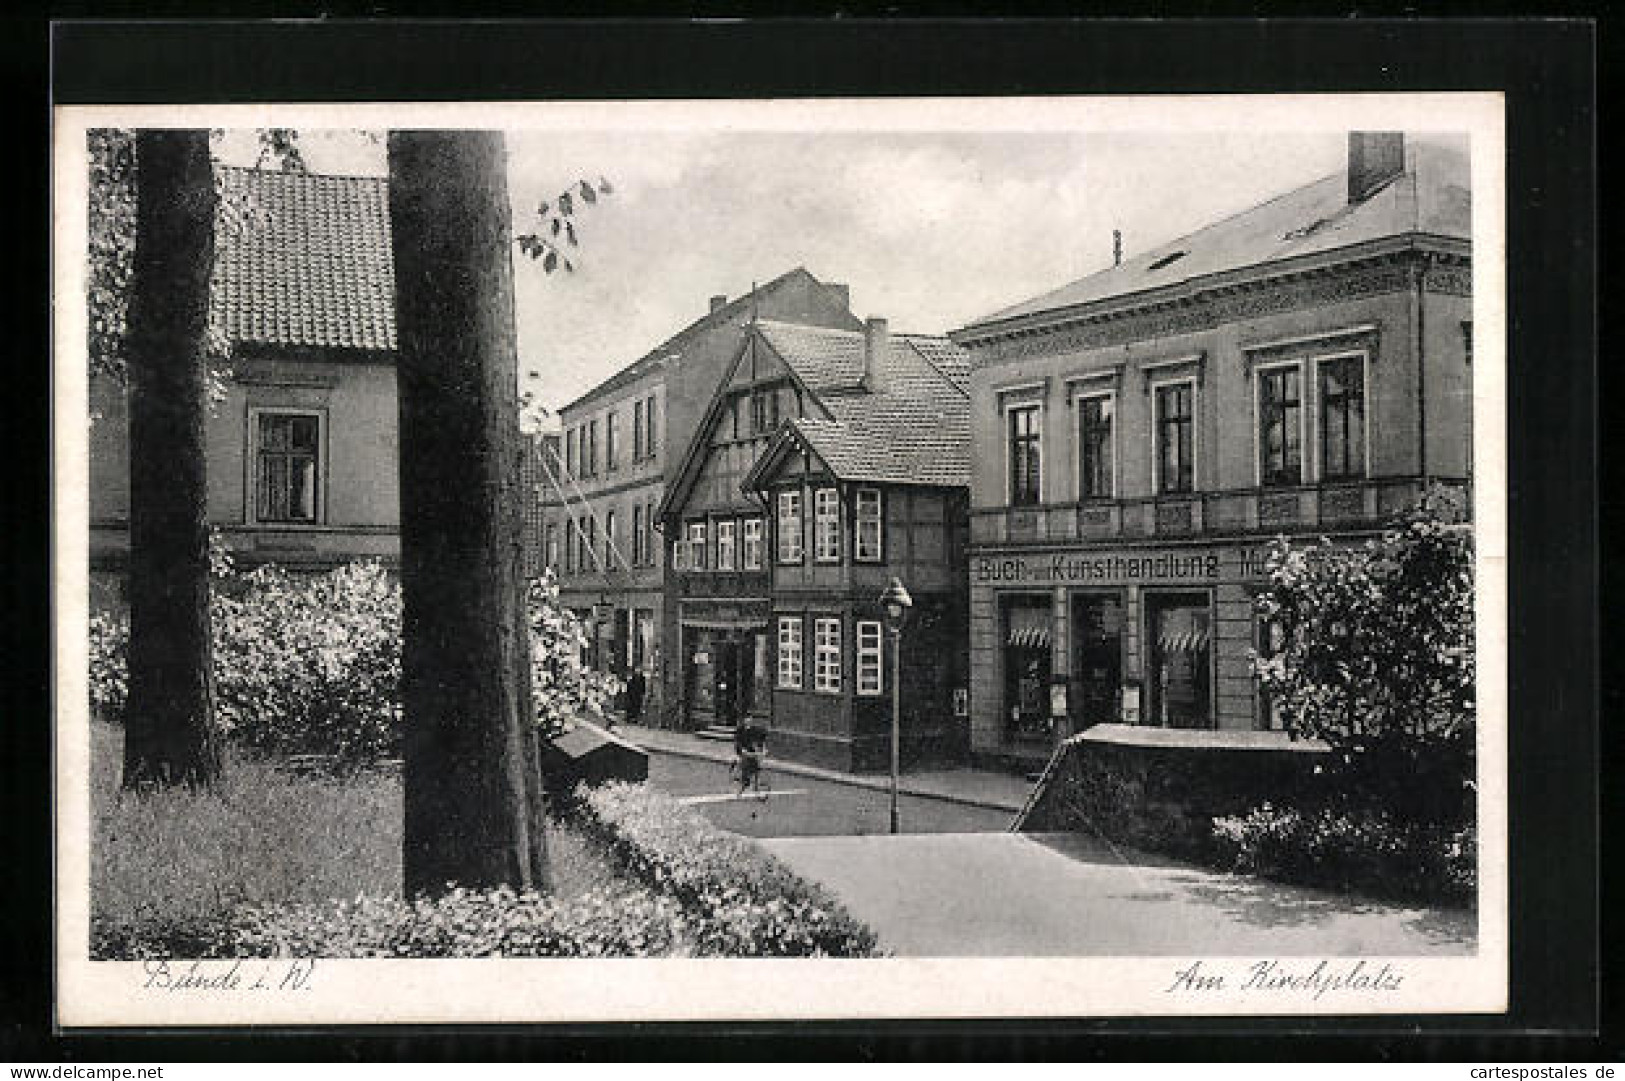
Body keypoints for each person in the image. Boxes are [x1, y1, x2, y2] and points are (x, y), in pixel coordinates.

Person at [732, 718, 768, 796]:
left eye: (750, 720)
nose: (748, 721)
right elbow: (738, 742)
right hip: (743, 750)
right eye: (747, 719)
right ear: (744, 721)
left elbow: (762, 738)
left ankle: (756, 785)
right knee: (745, 765)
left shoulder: (755, 730)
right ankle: (743, 784)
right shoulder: (740, 730)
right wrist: (742, 750)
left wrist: (764, 749)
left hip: (751, 750)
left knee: (756, 766)